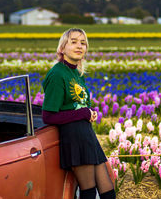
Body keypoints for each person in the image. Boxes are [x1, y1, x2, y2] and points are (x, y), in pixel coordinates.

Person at [42, 28, 116, 199]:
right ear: (62, 47)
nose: (79, 46)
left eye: (83, 43)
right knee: (88, 192)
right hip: (74, 137)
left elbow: (78, 106)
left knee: (108, 192)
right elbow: (49, 116)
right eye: (73, 41)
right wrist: (82, 114)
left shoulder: (77, 73)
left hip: (87, 135)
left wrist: (90, 112)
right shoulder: (57, 74)